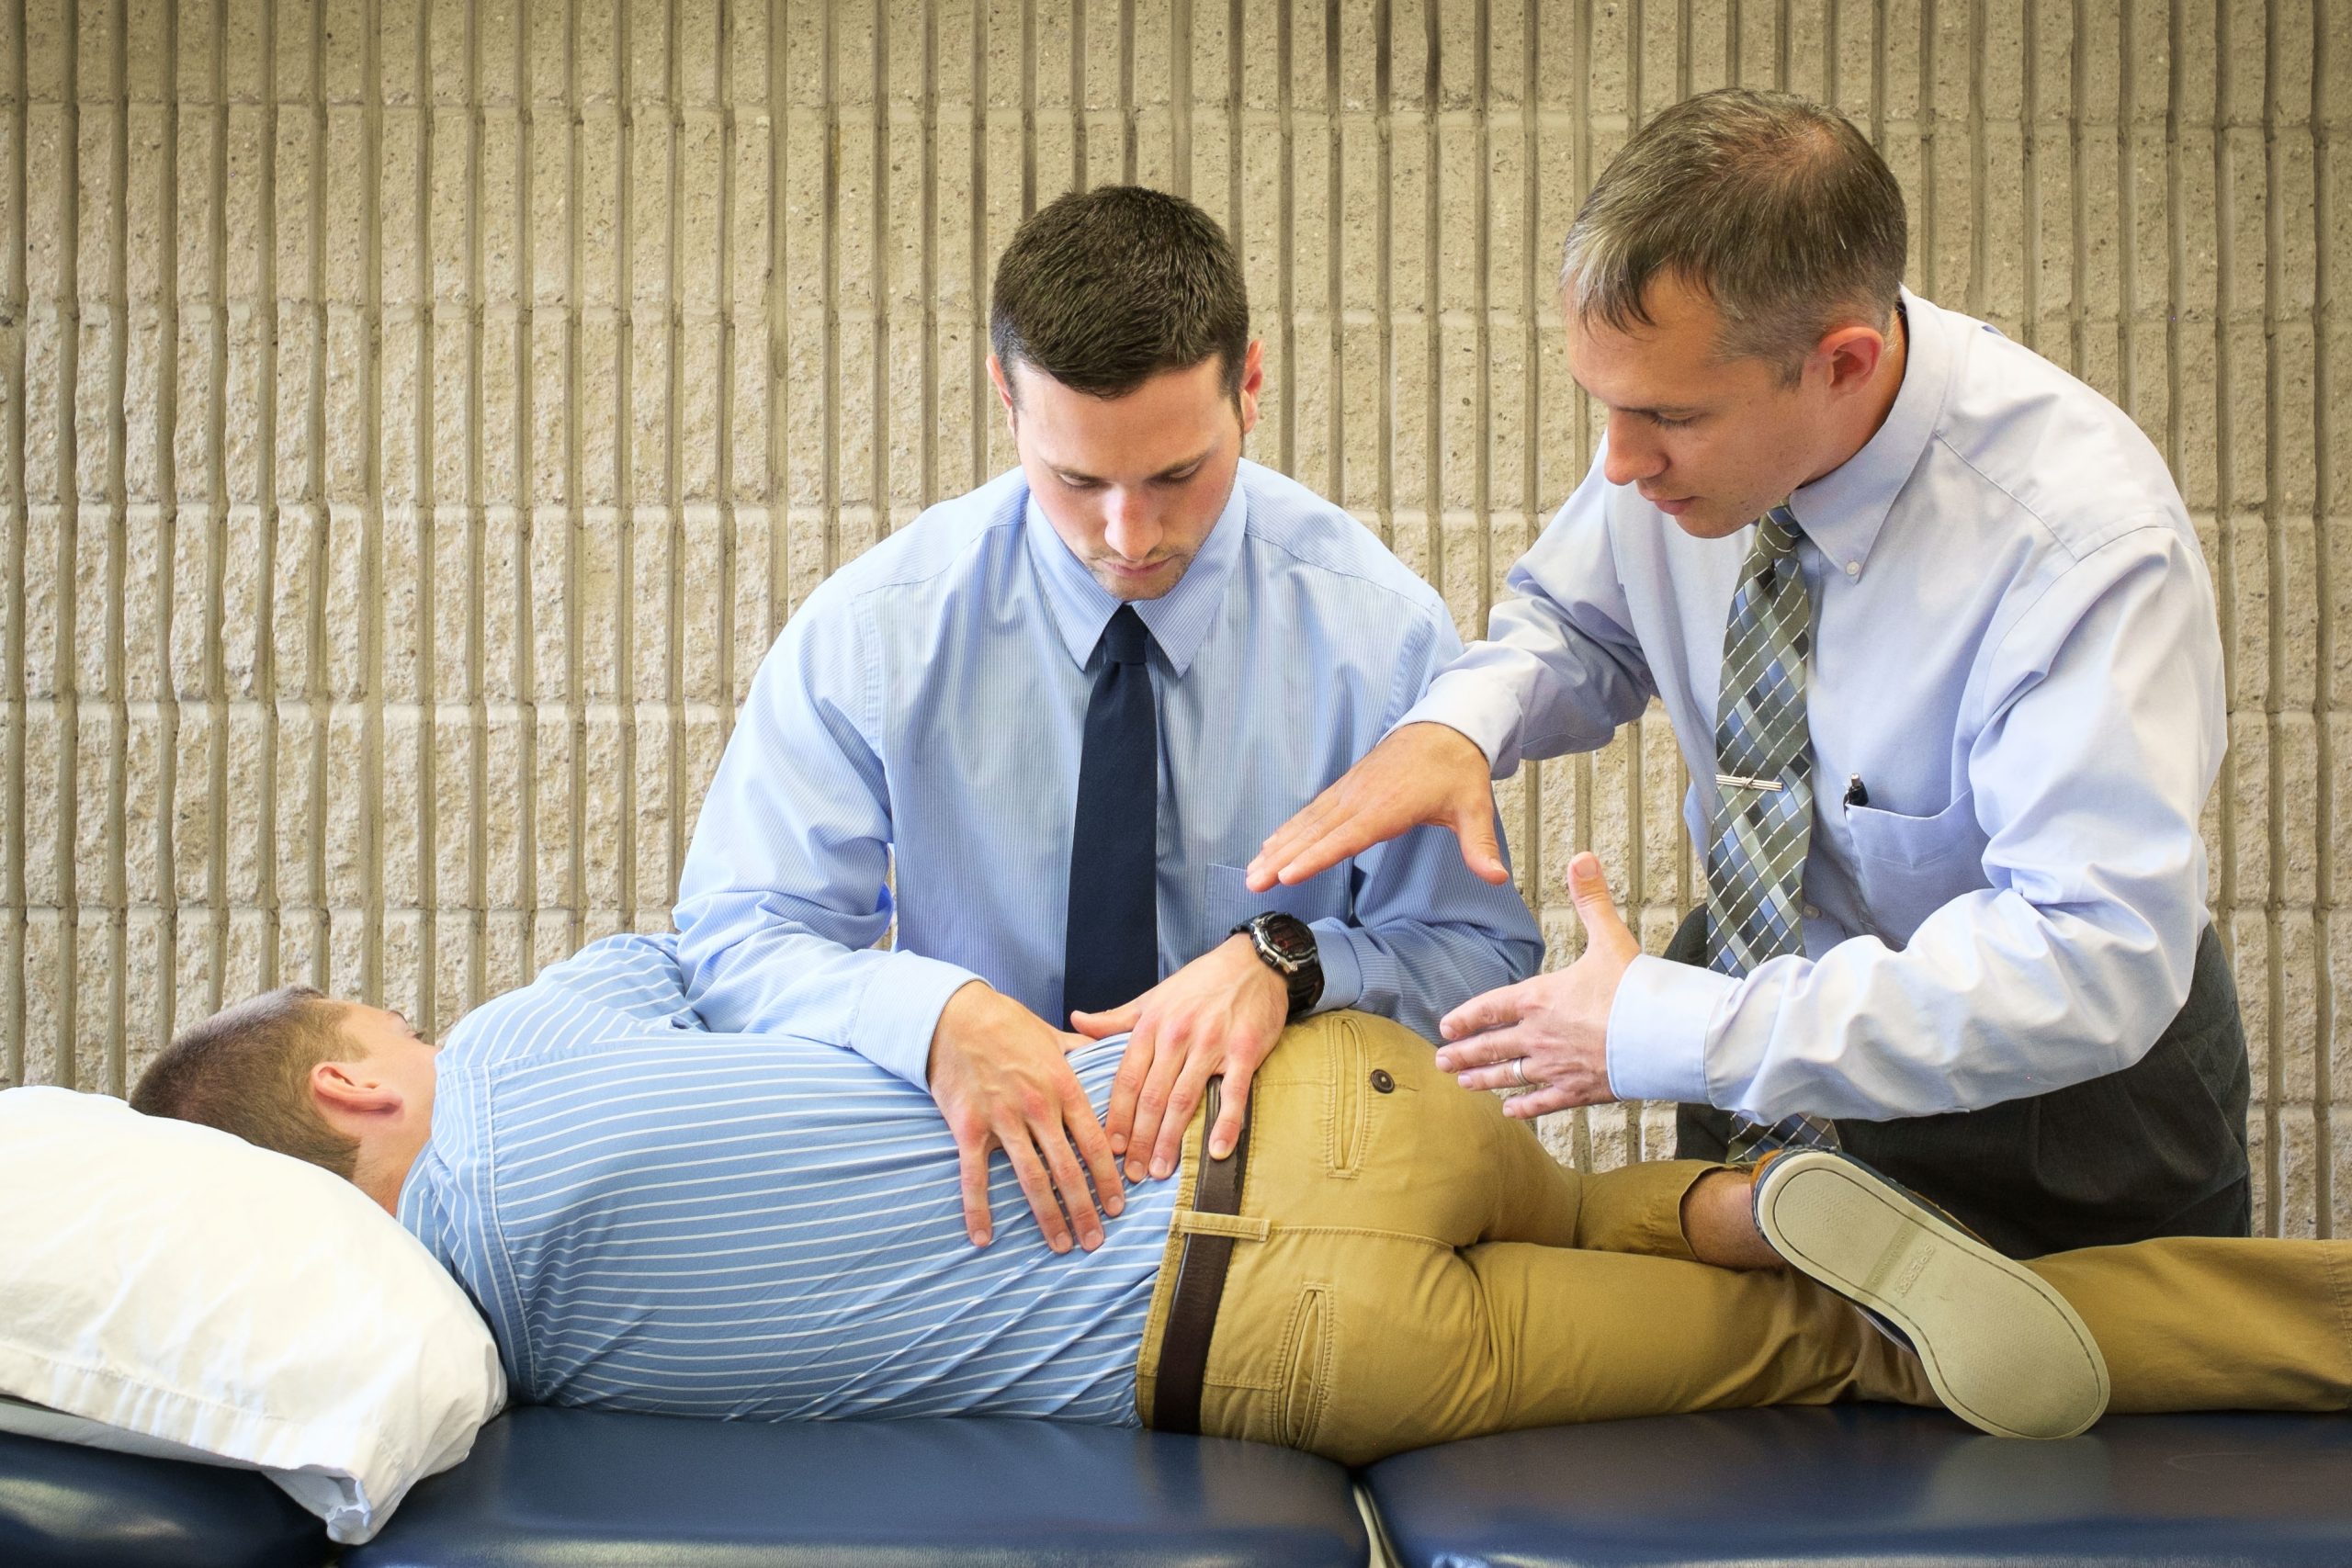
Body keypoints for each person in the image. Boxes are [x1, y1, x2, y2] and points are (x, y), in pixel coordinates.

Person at [129, 935, 2351, 1464]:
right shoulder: (545, 1014)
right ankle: (1731, 1199)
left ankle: (1780, 1260)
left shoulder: (454, 1353)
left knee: (1868, 1354)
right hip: (1319, 1091)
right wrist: (940, 1016)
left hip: (1276, 1339)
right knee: (1591, 1205)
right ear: (352, 1071)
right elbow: (746, 933)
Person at [1248, 88, 2245, 1258]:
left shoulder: (2078, 543)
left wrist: (1677, 1029)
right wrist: (1460, 727)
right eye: (1603, 408)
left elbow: (2095, 960)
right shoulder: (1683, 441)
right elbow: (1575, 622)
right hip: (1755, 1050)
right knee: (1741, 1434)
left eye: (1666, 416)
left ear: (1841, 363)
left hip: (2057, 1114)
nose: (1618, 464)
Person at [673, 185, 1540, 1258]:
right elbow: (736, 935)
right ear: (1005, 398)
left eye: (1178, 474)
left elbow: (1482, 966)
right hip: (969, 1219)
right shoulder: (874, 634)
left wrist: (1292, 962)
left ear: (1251, 387)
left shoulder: (1382, 635)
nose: (1130, 535)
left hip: (1287, 1221)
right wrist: (932, 1016)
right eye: (1076, 478)